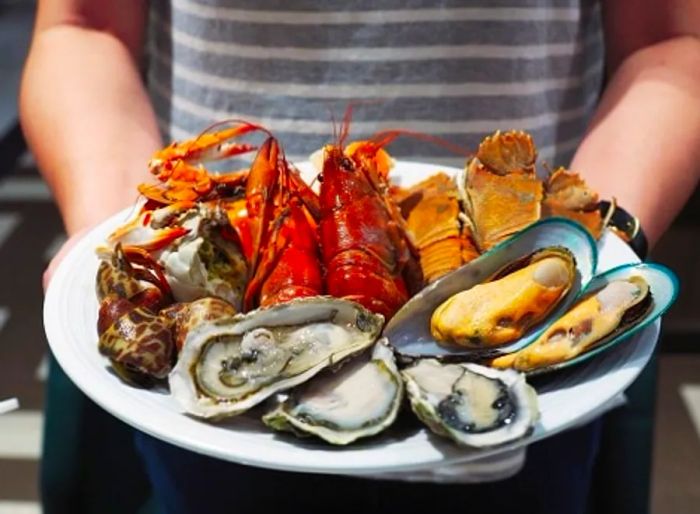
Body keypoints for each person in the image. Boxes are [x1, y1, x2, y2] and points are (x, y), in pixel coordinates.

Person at [20, 0, 700, 513]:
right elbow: (85, 26)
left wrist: (591, 250)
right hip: (212, 411)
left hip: (525, 397)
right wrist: (116, 238)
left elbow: (673, 40)